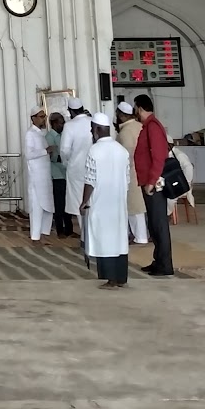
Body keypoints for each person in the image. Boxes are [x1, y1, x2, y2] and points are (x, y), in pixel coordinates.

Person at [79, 114, 131, 289]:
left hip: (101, 203)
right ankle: (121, 277)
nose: (91, 132)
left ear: (97, 129)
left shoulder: (94, 151)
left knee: (104, 240)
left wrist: (84, 201)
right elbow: (127, 180)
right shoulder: (122, 151)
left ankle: (111, 279)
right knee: (118, 239)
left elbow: (90, 180)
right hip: (118, 204)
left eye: (91, 128)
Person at [132, 93, 173, 276]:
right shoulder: (148, 126)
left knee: (159, 224)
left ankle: (165, 265)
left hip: (154, 183)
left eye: (135, 108)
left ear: (139, 108)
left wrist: (151, 181)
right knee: (154, 225)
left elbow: (158, 157)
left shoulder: (153, 127)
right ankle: (159, 260)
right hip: (148, 181)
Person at [116, 100, 148, 245]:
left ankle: (140, 237)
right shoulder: (140, 126)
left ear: (122, 116)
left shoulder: (126, 132)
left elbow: (126, 155)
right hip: (143, 171)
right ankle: (140, 235)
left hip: (132, 172)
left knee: (134, 207)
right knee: (139, 206)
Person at [59, 98, 92, 229]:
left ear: (71, 111)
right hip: (94, 168)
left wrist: (67, 163)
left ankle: (85, 235)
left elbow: (64, 150)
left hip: (76, 170)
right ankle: (93, 235)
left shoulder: (69, 126)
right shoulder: (92, 121)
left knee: (79, 201)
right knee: (93, 200)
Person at [23, 108, 54, 241]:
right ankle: (35, 235)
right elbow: (29, 154)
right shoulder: (30, 134)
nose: (43, 119)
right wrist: (45, 151)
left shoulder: (42, 134)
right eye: (41, 116)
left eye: (44, 116)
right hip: (36, 177)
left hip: (45, 175)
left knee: (47, 204)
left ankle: (44, 232)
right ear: (33, 118)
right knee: (37, 206)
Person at [45, 111, 71, 237]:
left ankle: (69, 229)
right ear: (54, 123)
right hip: (56, 174)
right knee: (59, 204)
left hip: (65, 172)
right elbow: (52, 156)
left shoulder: (63, 135)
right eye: (61, 123)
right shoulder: (50, 137)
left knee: (67, 202)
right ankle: (60, 229)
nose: (63, 125)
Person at [166, 134, 196, 221]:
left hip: (181, 185)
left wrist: (186, 183)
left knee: (169, 197)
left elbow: (189, 168)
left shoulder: (179, 155)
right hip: (171, 183)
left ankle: (166, 215)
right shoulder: (167, 154)